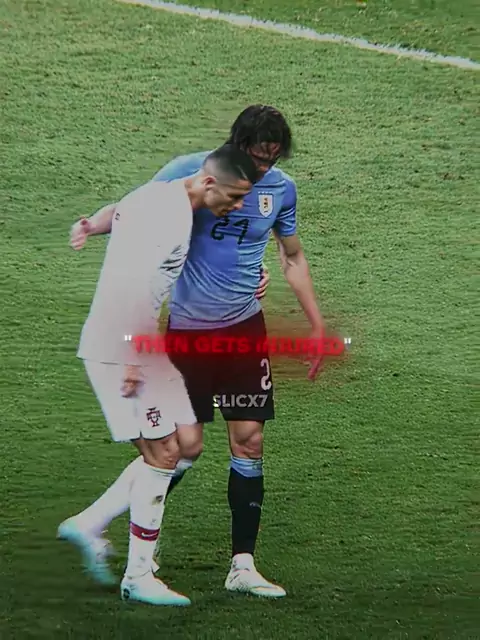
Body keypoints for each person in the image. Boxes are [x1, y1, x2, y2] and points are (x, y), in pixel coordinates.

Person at [68, 105, 326, 599]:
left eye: (273, 159)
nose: (264, 168)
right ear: (236, 148)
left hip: (244, 332)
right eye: (258, 156)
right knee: (181, 448)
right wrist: (92, 225)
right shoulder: (192, 171)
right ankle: (114, 532)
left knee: (249, 442)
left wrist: (315, 324)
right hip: (187, 334)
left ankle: (242, 566)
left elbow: (291, 254)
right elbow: (131, 208)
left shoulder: (280, 189)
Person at [58, 144, 259, 607]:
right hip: (121, 346)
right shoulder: (168, 218)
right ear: (209, 182)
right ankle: (138, 576)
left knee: (188, 443)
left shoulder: (160, 195)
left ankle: (89, 523)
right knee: (162, 451)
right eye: (234, 197)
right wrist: (132, 359)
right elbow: (135, 285)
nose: (237, 207)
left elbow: (119, 211)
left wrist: (91, 225)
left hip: (140, 344)